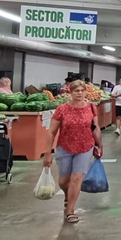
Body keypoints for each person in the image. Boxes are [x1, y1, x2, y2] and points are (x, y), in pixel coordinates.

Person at [44, 79, 103, 223]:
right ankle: (68, 195)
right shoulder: (62, 109)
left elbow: (95, 128)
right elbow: (51, 132)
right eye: (76, 91)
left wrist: (99, 145)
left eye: (82, 91)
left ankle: (70, 210)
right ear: (70, 92)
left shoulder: (91, 108)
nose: (80, 93)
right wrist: (47, 153)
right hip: (65, 147)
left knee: (76, 178)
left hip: (85, 147)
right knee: (64, 181)